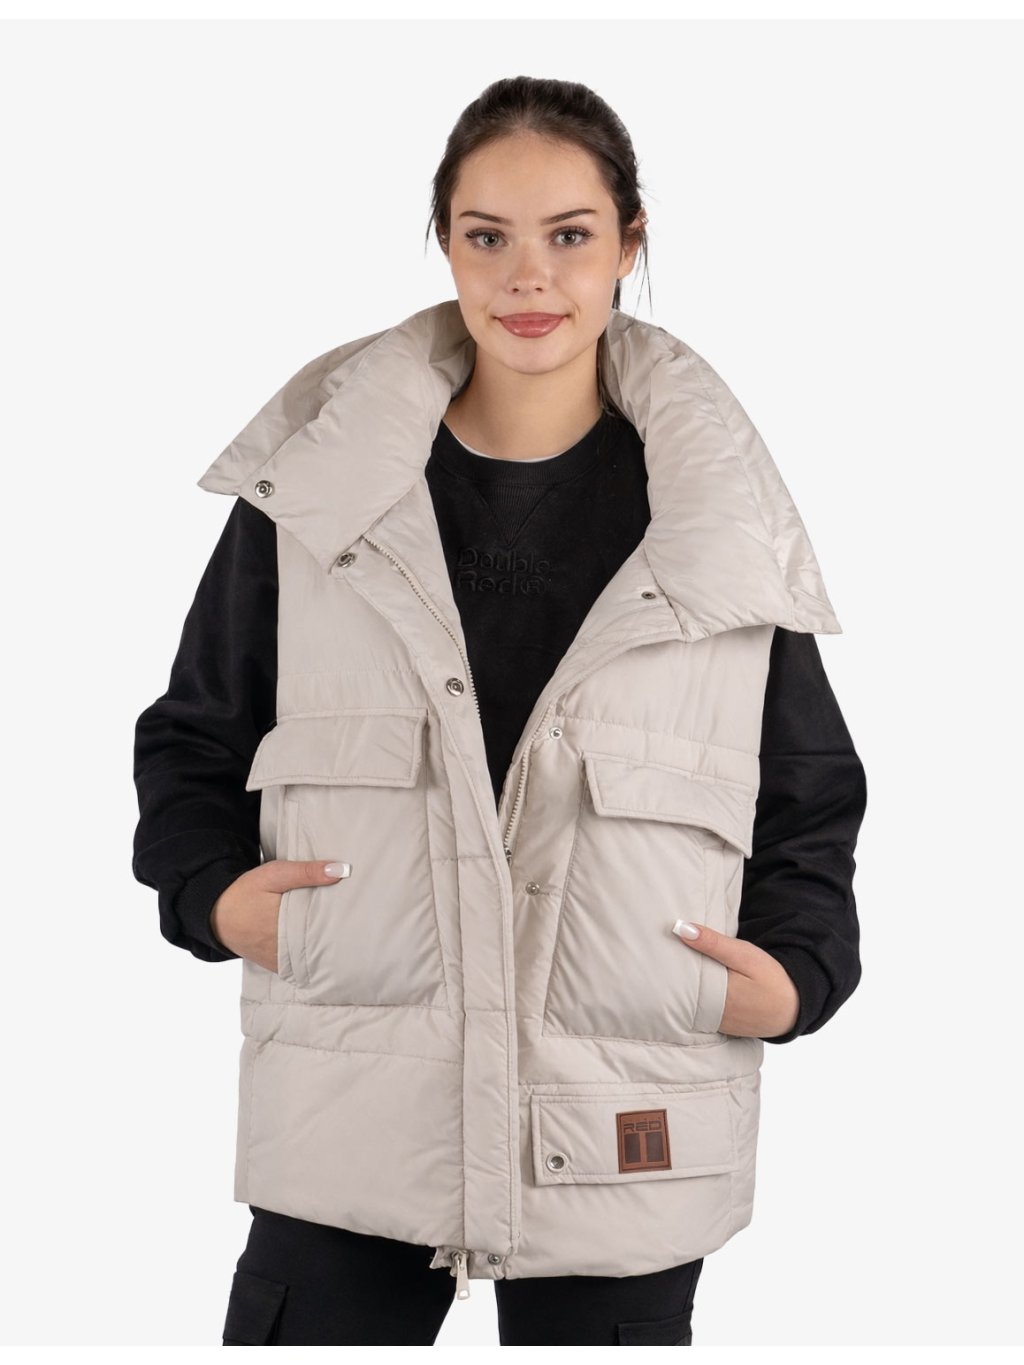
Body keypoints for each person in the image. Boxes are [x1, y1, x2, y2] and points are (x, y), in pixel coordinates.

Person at [132, 75, 867, 1347]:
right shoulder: (320, 495)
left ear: (630, 243)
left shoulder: (716, 519)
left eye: (569, 234)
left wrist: (798, 977)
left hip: (627, 1104)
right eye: (488, 236)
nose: (529, 276)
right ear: (446, 243)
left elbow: (807, 788)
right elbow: (194, 733)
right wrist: (210, 895)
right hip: (351, 1102)